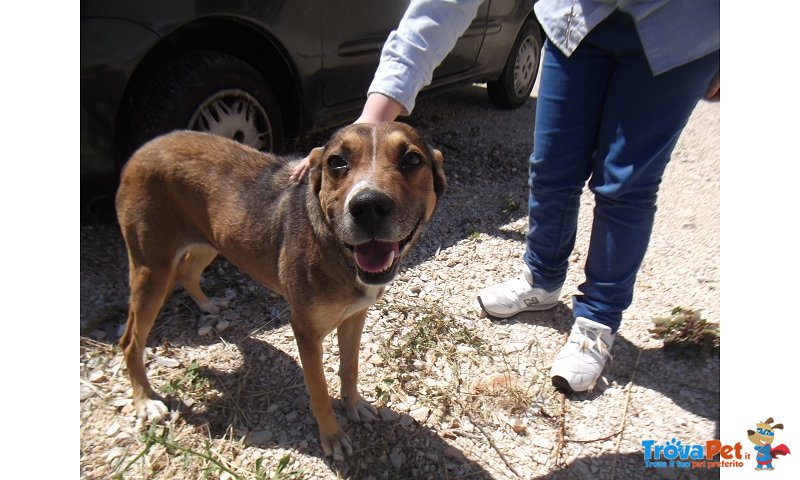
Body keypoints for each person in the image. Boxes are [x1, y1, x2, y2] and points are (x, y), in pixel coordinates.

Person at [292, 0, 720, 394]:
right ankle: (543, 280)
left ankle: (597, 318)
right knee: (551, 168)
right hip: (577, 21)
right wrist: (373, 118)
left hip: (682, 28)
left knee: (625, 186)